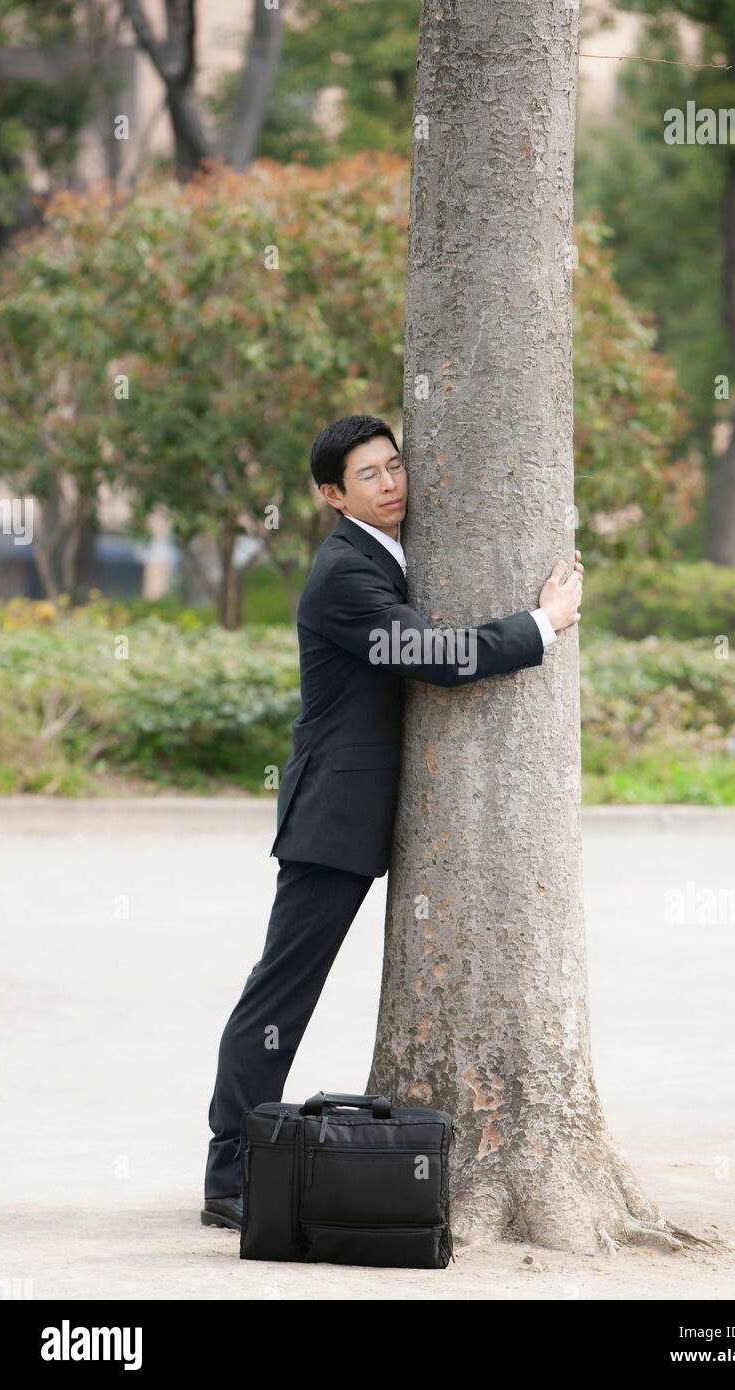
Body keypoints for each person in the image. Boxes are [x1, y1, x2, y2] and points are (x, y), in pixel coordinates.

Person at [201, 415, 583, 1229]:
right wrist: (542, 625)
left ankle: (236, 1170)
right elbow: (435, 662)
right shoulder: (345, 572)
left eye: (394, 464)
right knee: (278, 1000)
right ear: (331, 495)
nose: (391, 482)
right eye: (368, 476)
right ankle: (229, 1178)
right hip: (332, 820)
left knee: (279, 993)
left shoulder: (392, 554)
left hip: (364, 814)